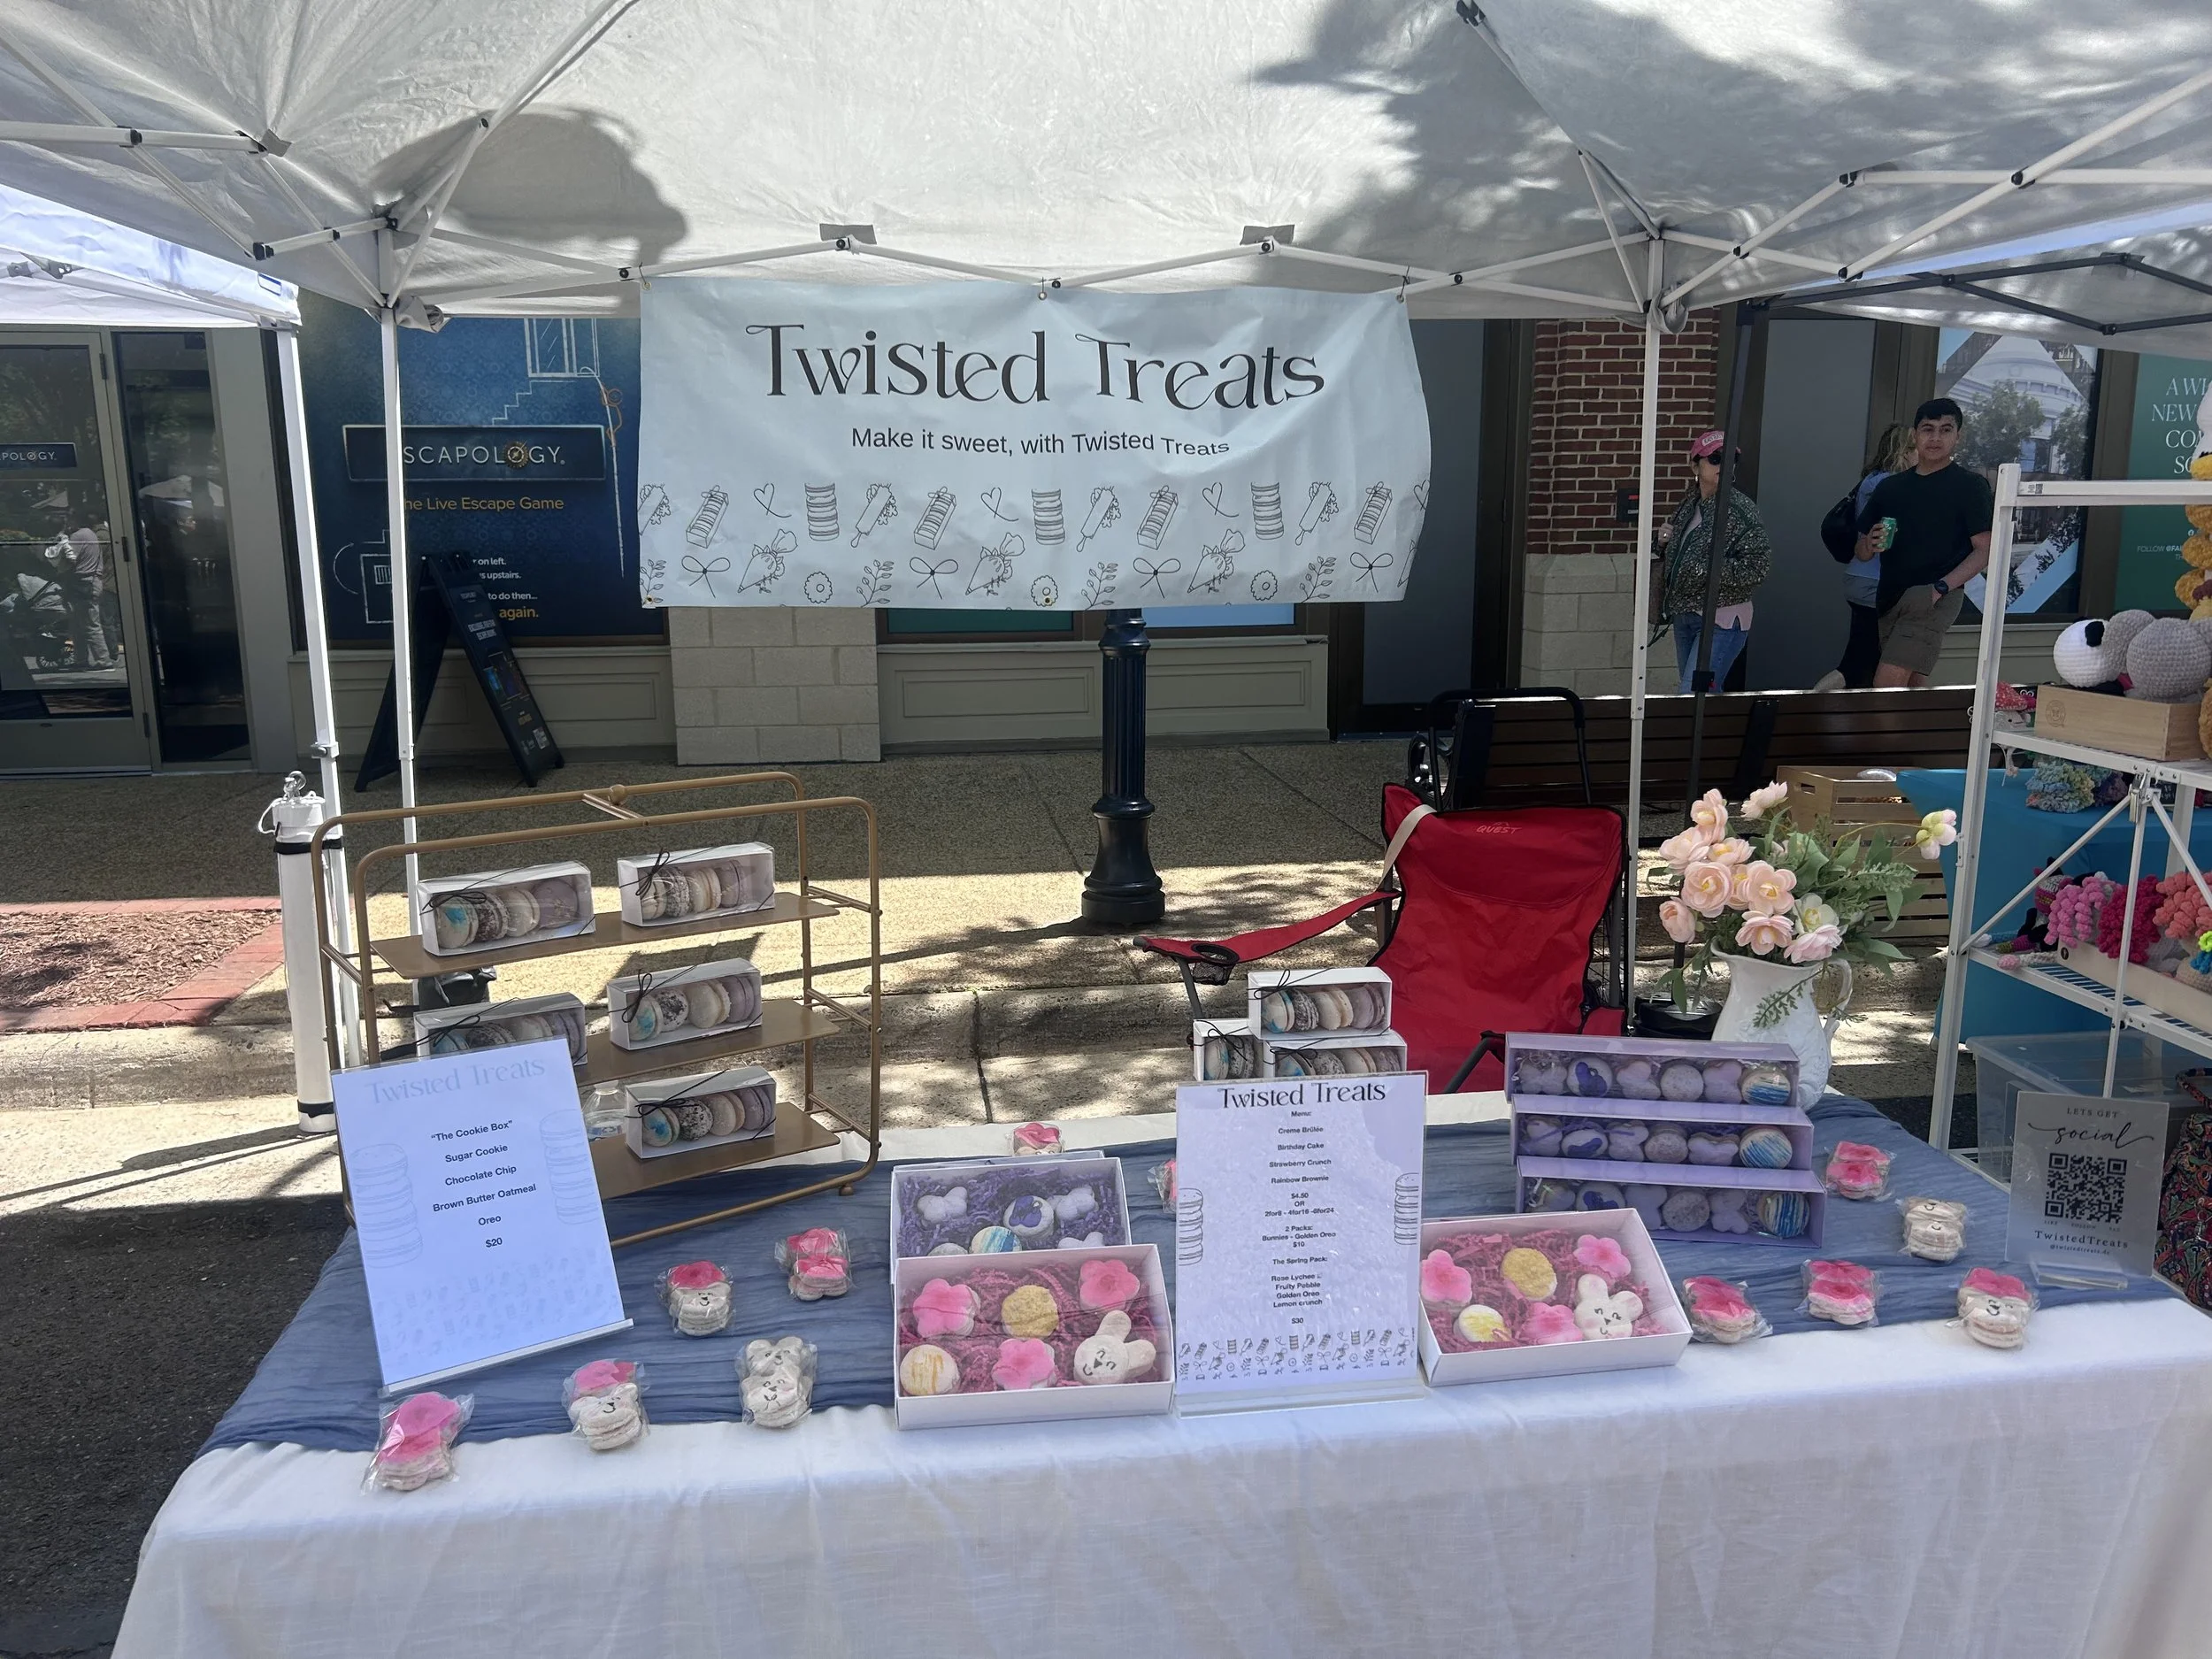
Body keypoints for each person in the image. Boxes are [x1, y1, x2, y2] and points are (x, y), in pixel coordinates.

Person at [1855, 399, 1993, 688]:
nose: (1935, 437)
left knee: (1886, 688)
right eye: (1928, 429)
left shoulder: (1970, 485)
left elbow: (1985, 549)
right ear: (1915, 434)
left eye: (1945, 429)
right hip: (1888, 596)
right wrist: (1870, 543)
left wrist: (1941, 588)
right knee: (1912, 687)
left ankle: (1883, 736)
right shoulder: (1891, 486)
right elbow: (1862, 550)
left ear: (1958, 436)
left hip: (1934, 596)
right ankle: (1926, 733)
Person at [1655, 429, 1771, 695]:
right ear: (1694, 465)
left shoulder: (1740, 509)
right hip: (1686, 617)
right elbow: (1680, 554)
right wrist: (1662, 542)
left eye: (1730, 459)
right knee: (1699, 695)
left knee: (1694, 694)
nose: (1724, 464)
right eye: (1716, 458)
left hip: (1721, 621)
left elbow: (1758, 566)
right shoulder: (1690, 504)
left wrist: (1705, 570)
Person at [1814, 422, 1916, 690]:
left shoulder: (1871, 480)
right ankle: (1810, 705)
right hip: (1875, 581)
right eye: (1915, 448)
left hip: (1860, 577)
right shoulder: (1889, 486)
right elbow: (1892, 535)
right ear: (1903, 452)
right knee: (1858, 664)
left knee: (1865, 662)